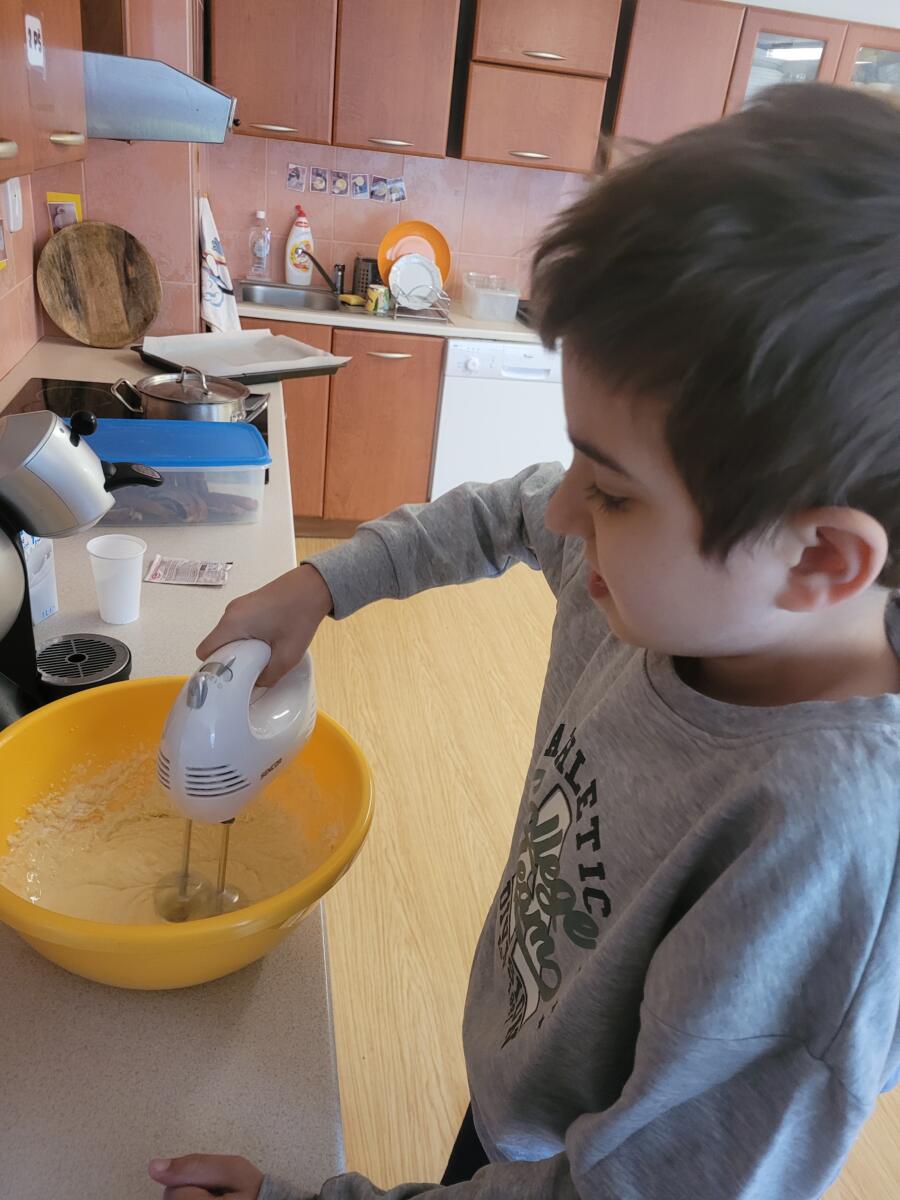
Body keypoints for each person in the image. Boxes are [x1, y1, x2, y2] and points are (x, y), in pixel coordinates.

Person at [148, 84, 900, 1200]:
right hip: (528, 1087)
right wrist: (320, 582)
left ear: (819, 560)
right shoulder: (660, 589)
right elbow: (505, 509)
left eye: (615, 491)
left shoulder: (823, 855)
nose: (563, 512)